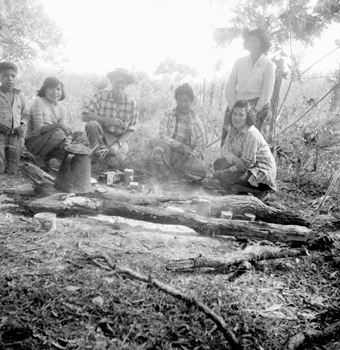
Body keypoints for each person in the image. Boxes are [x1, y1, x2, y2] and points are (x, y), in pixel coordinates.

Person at [221, 28, 276, 146]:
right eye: (250, 41)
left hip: (257, 106)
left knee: (252, 143)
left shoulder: (268, 65)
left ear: (262, 43)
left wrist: (254, 112)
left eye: (256, 41)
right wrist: (233, 108)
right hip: (237, 104)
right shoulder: (239, 62)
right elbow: (230, 85)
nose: (253, 44)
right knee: (230, 141)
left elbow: (267, 93)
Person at [214, 100, 276, 200]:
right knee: (218, 164)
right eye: (235, 114)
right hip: (246, 167)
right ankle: (241, 195)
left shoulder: (251, 134)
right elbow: (225, 150)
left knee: (225, 176)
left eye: (241, 115)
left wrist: (223, 172)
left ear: (248, 117)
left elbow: (246, 165)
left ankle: (261, 193)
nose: (237, 118)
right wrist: (235, 159)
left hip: (260, 174)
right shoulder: (233, 129)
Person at [149, 83, 207, 181]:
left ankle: (174, 172)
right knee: (158, 150)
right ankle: (166, 172)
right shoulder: (168, 114)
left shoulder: (196, 121)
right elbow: (163, 135)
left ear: (191, 101)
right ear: (176, 101)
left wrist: (189, 155)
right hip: (169, 151)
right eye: (180, 101)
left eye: (186, 101)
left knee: (202, 171)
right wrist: (180, 146)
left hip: (186, 157)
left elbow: (201, 145)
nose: (183, 104)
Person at [82, 68, 137, 169]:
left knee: (115, 165)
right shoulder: (100, 96)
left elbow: (130, 130)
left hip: (118, 138)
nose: (119, 85)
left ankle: (103, 157)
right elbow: (85, 116)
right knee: (92, 124)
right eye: (116, 81)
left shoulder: (131, 103)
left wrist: (117, 144)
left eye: (123, 83)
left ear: (127, 85)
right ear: (112, 81)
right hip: (101, 134)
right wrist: (107, 119)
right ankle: (96, 152)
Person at [25, 77, 72, 170]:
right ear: (44, 89)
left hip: (51, 141)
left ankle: (48, 159)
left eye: (58, 89)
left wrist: (67, 138)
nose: (55, 92)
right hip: (34, 141)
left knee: (71, 154)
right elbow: (38, 130)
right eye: (51, 88)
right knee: (59, 132)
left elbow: (64, 130)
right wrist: (59, 125)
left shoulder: (62, 109)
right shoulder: (39, 101)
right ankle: (39, 157)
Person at [0, 61, 29, 174]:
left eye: (13, 76)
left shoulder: (20, 96)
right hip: (0, 136)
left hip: (15, 137)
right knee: (0, 170)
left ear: (17, 78)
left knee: (12, 171)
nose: (9, 79)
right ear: (0, 77)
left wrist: (22, 125)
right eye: (5, 75)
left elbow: (26, 115)